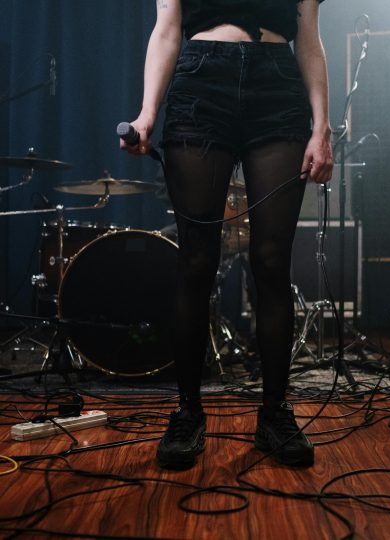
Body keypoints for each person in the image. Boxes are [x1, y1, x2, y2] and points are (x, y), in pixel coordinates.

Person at [121, 0, 333, 470]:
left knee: (273, 261)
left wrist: (321, 126)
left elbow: (310, 40)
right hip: (201, 82)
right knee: (196, 262)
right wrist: (147, 114)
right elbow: (166, 31)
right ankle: (187, 414)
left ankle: (275, 414)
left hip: (277, 89)